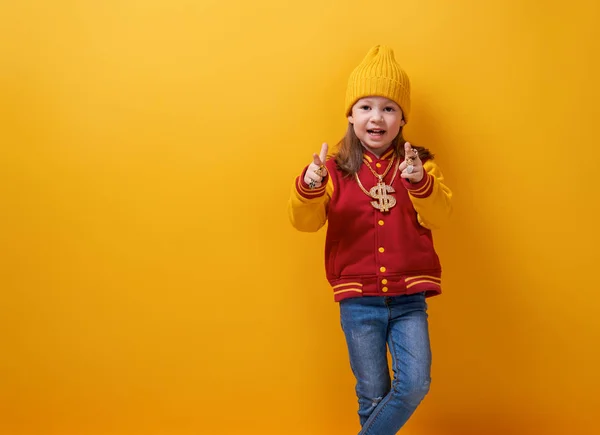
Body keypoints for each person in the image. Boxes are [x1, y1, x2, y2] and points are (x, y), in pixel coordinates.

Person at [287, 45, 453, 434]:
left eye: (388, 108)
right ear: (351, 116)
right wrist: (309, 187)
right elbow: (304, 222)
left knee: (414, 384)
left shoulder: (419, 166)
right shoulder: (330, 170)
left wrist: (419, 182)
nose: (376, 117)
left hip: (409, 299)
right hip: (358, 301)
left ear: (401, 120)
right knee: (372, 394)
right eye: (365, 107)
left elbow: (440, 215)